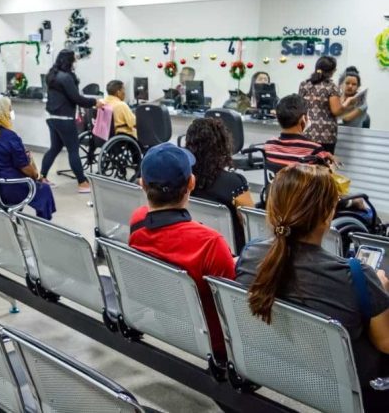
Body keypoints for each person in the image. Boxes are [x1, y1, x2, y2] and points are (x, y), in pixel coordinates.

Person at [236, 164, 389, 410]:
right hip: (348, 388)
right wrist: (379, 291)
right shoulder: (357, 277)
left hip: (274, 367)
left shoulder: (251, 255)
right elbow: (385, 342)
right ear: (328, 215)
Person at [129, 142, 234, 360]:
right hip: (217, 342)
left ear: (142, 184)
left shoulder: (137, 222)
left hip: (167, 322)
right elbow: (233, 309)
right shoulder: (210, 243)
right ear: (191, 183)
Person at [0, 96, 56, 220]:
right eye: (10, 110)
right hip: (8, 186)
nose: (11, 113)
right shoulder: (10, 137)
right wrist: (38, 176)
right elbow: (25, 168)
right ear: (3, 114)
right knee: (44, 189)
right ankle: (44, 224)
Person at [39, 49, 104, 194]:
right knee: (73, 150)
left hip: (51, 117)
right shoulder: (66, 77)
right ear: (69, 61)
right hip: (64, 118)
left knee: (55, 148)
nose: (75, 63)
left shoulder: (53, 75)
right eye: (74, 60)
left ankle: (42, 177)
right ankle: (82, 182)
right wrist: (95, 102)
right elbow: (76, 98)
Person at [185, 118, 254, 252]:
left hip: (194, 246)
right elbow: (251, 225)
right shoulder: (235, 183)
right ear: (222, 146)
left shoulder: (184, 180)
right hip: (231, 254)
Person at [298, 56, 357, 154]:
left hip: (306, 132)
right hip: (326, 135)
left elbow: (300, 106)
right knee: (324, 166)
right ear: (332, 71)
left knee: (307, 164)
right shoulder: (331, 86)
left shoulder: (304, 84)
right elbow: (336, 111)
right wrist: (348, 103)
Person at [263, 95, 334, 173]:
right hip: (304, 185)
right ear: (303, 119)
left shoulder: (269, 145)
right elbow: (325, 181)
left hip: (275, 185)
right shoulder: (314, 150)